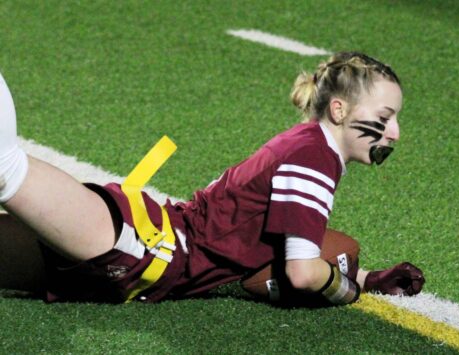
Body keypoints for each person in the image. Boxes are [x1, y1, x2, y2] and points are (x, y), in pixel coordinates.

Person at [0, 52, 425, 305]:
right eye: (385, 118)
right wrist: (348, 292)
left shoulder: (306, 143)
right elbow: (302, 272)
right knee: (7, 169)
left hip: (147, 236)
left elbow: (282, 254)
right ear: (339, 111)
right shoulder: (315, 158)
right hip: (150, 252)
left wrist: (367, 278)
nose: (395, 132)